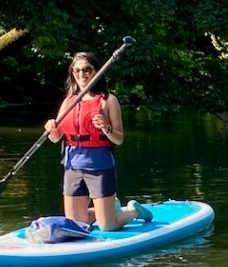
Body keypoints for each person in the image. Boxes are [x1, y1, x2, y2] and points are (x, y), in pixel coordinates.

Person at [44, 52, 152, 231]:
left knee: (107, 226)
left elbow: (118, 139)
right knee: (78, 225)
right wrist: (51, 130)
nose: (81, 74)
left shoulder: (108, 101)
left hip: (99, 166)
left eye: (87, 70)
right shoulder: (68, 102)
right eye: (76, 70)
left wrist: (106, 128)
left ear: (96, 72)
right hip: (72, 166)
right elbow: (56, 138)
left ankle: (134, 212)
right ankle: (110, 209)